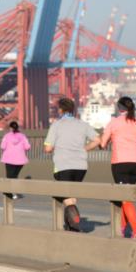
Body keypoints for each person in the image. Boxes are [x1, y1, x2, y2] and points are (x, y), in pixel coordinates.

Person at [101, 96, 136, 240]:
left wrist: (107, 141)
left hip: (120, 162)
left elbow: (103, 144)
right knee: (126, 197)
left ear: (119, 108)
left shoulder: (114, 122)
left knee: (125, 198)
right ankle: (123, 229)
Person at [45, 97, 99, 232]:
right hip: (81, 166)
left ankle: (75, 225)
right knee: (71, 198)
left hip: (63, 165)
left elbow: (48, 148)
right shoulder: (82, 124)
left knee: (67, 199)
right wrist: (84, 149)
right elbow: (98, 140)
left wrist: (51, 146)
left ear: (61, 110)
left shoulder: (56, 125)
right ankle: (68, 226)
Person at [0, 121, 31, 199]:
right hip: (20, 160)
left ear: (10, 128)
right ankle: (15, 193)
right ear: (17, 127)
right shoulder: (23, 136)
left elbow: (2, 147)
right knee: (15, 176)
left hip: (9, 159)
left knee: (9, 176)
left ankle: (9, 193)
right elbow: (27, 147)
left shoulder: (6, 136)